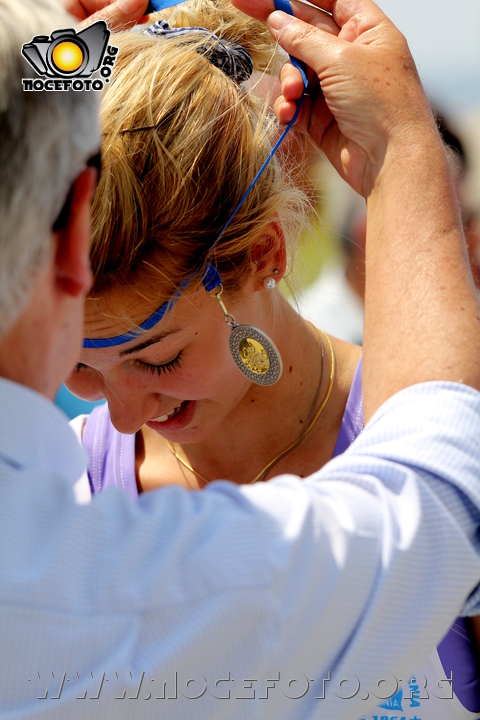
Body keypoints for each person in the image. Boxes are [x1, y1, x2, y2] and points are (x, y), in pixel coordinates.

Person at [2, 1, 480, 720]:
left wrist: (37, 77)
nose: (124, 415)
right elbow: (441, 506)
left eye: (156, 360)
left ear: (264, 254)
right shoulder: (67, 484)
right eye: (80, 365)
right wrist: (403, 148)